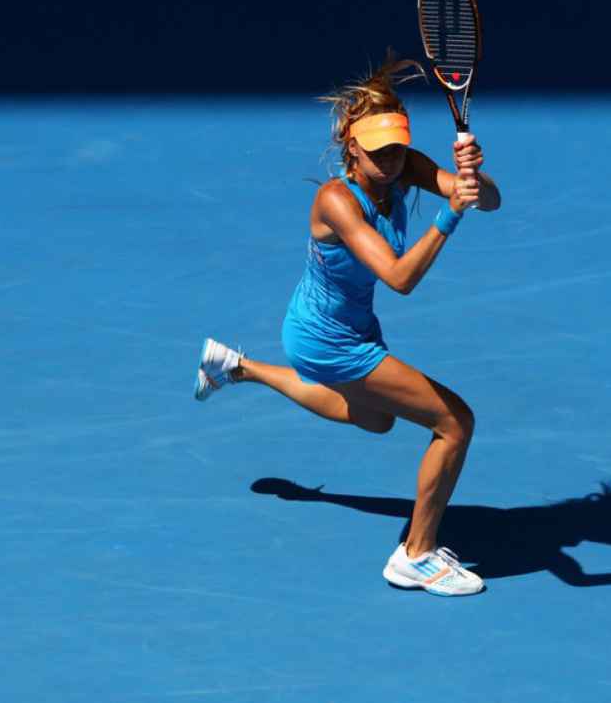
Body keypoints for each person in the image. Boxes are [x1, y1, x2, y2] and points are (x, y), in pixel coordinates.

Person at [192, 54, 501, 597]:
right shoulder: (336, 200)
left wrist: (475, 176)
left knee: (376, 420)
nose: (389, 161)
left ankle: (238, 368)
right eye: (377, 152)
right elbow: (400, 278)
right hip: (325, 339)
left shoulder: (405, 165)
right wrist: (450, 213)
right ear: (352, 148)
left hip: (348, 326)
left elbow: (489, 201)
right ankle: (417, 556)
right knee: (455, 422)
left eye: (397, 149)